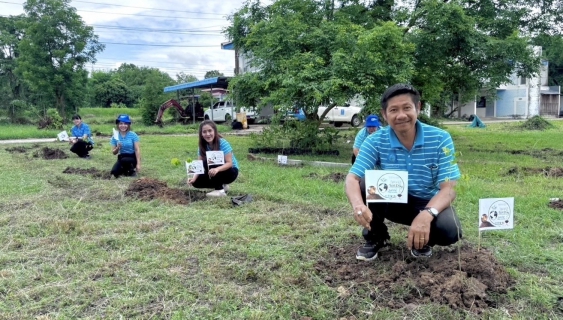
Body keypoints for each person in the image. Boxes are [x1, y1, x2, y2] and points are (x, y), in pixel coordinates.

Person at [345, 84, 462, 261]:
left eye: (407, 108)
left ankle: (422, 241)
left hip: (426, 201)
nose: (401, 115)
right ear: (384, 114)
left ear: (418, 108)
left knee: (450, 229)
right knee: (365, 182)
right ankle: (376, 236)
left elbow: (449, 188)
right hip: (392, 202)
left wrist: (427, 214)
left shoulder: (440, 138)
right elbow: (352, 178)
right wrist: (358, 206)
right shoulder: (375, 140)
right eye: (393, 110)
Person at [187, 120, 239, 197]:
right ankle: (223, 186)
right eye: (204, 132)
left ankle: (220, 190)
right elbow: (199, 165)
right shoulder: (202, 146)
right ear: (201, 134)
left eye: (210, 131)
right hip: (216, 171)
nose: (207, 134)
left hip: (230, 172)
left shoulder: (223, 143)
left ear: (214, 131)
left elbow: (229, 163)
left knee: (210, 160)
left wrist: (217, 169)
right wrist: (193, 179)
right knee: (196, 182)